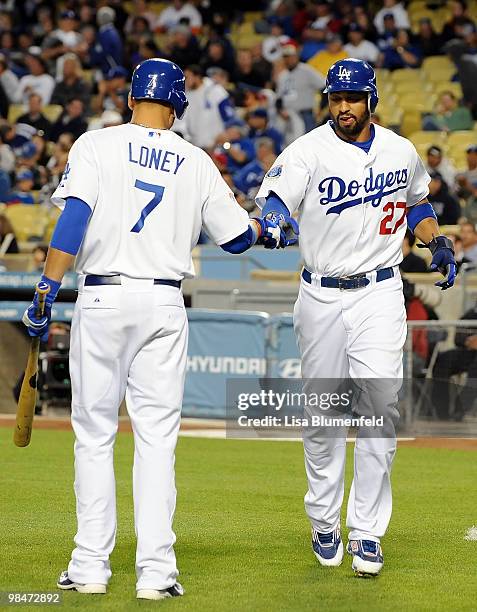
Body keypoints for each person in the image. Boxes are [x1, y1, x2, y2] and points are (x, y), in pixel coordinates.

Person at [21, 58, 297, 600]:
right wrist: (272, 230)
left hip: (101, 297)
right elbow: (238, 239)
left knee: (94, 437)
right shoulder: (195, 161)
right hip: (164, 305)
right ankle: (155, 572)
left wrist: (46, 288)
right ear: (179, 105)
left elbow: (73, 219)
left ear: (130, 99)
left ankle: (90, 567)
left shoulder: (95, 145)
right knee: (155, 441)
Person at [255, 58, 456, 577]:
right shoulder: (308, 149)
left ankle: (367, 531)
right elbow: (275, 197)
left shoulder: (400, 150)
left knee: (380, 409)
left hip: (381, 293)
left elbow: (417, 205)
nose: (343, 106)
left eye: (352, 97)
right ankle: (325, 519)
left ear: (371, 98)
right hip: (321, 295)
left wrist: (435, 242)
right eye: (335, 97)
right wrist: (276, 217)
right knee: (324, 416)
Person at [276, 41, 325, 135]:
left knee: (309, 142)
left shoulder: (306, 70)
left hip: (305, 114)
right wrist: (280, 111)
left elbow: (324, 87)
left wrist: (321, 108)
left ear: (296, 56)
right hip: (287, 116)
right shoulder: (282, 75)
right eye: (286, 57)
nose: (289, 59)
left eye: (291, 56)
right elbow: (279, 99)